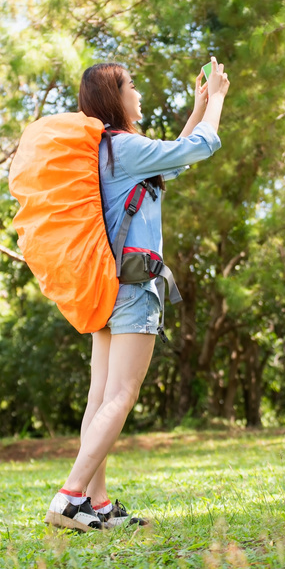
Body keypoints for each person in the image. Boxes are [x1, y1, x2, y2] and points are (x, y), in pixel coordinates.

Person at [44, 58, 230, 532]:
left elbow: (175, 157)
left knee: (100, 397)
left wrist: (199, 106)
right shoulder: (123, 148)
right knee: (121, 395)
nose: (138, 93)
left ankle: (97, 503)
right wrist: (219, 101)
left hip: (108, 286)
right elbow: (202, 147)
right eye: (131, 86)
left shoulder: (107, 152)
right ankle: (69, 498)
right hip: (133, 288)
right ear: (114, 96)